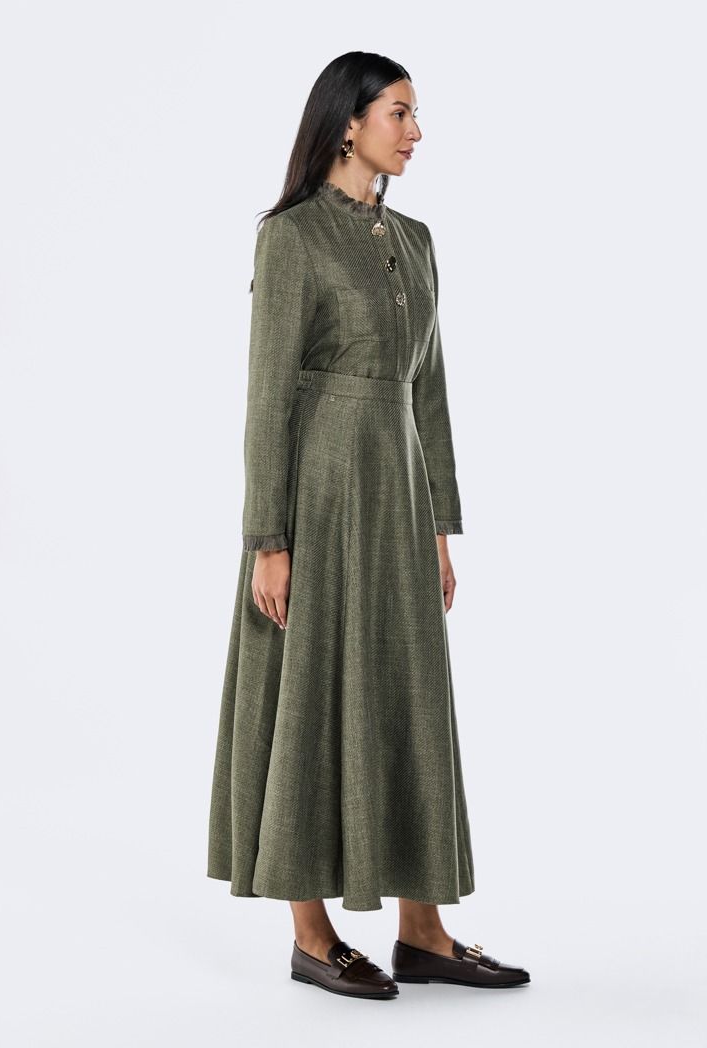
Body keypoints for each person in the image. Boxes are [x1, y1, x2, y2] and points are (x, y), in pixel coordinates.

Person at [207, 51, 530, 1000]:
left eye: (415, 114)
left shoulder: (416, 240)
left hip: (400, 495)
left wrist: (440, 527)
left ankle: (423, 933)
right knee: (307, 692)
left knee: (409, 695)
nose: (416, 131)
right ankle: (312, 937)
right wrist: (268, 540)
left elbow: (429, 390)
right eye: (400, 112)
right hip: (319, 497)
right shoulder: (291, 236)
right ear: (348, 123)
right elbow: (267, 399)